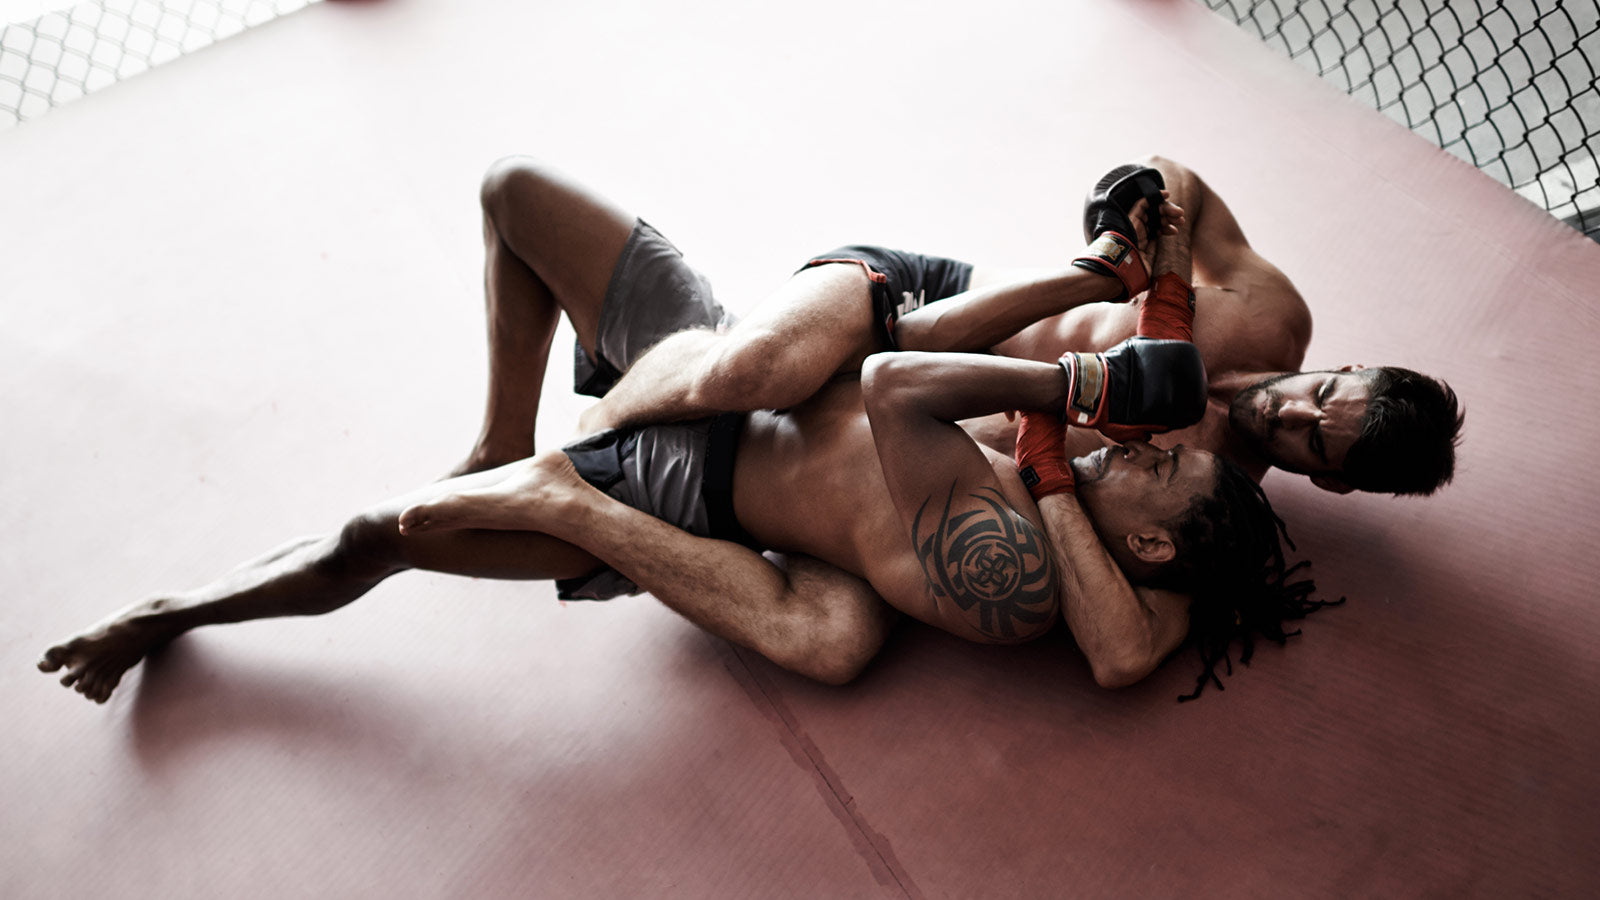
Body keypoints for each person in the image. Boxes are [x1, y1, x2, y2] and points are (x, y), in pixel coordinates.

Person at [37, 165, 1324, 704]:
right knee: (513, 189)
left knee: (391, 532)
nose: (1139, 449)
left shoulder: (1026, 558)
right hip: (760, 355)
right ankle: (504, 434)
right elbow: (899, 346)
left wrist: (1078, 407)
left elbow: (896, 393)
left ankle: (172, 611)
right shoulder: (1067, 475)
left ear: (1150, 548)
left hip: (687, 481)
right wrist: (1106, 280)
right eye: (1157, 442)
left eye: (1151, 473)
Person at [567, 156, 1462, 497]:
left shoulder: (1203, 481)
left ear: (1329, 483)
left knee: (770, 471)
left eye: (1315, 443)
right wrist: (1132, 220)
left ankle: (640, 339)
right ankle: (582, 436)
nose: (1292, 414)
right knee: (749, 373)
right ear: (1340, 366)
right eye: (1324, 395)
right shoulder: (1272, 310)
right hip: (920, 297)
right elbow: (1173, 179)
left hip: (908, 410)